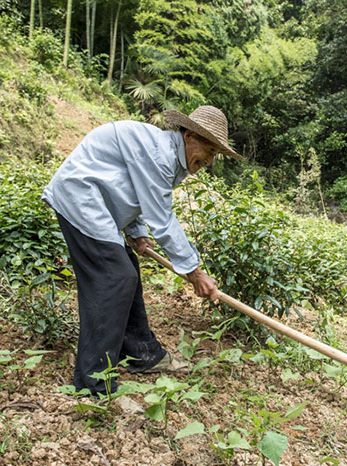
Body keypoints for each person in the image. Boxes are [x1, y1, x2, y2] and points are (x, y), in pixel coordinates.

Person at [42, 105, 244, 395]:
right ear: (189, 137)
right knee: (115, 278)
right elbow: (162, 221)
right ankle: (93, 383)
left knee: (127, 270)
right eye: (209, 150)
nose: (210, 161)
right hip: (79, 196)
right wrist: (194, 272)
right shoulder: (160, 155)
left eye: (214, 155)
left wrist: (136, 234)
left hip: (96, 202)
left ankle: (142, 353)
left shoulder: (167, 156)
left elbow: (130, 189)